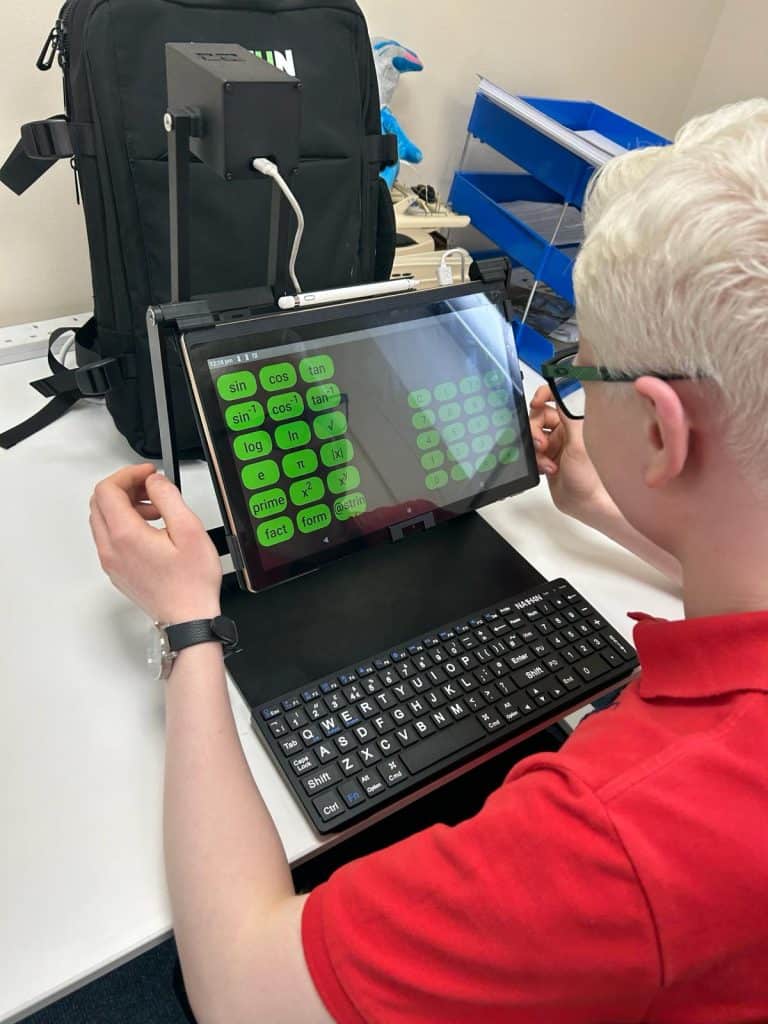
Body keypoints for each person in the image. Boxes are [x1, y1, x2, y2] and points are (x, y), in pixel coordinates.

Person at [89, 99, 768, 1023]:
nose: (561, 385)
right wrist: (609, 506)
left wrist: (188, 624)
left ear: (659, 426)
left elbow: (240, 992)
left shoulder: (629, 832)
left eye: (581, 365)